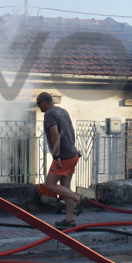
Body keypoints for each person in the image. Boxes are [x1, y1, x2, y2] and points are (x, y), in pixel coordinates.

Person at [35, 91, 90, 227]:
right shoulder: (63, 111)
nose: (39, 108)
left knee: (49, 185)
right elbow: (72, 131)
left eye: (38, 105)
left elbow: (54, 134)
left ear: (43, 103)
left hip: (63, 156)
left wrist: (57, 156)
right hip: (73, 154)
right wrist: (72, 147)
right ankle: (69, 218)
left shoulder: (49, 114)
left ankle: (79, 198)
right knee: (66, 188)